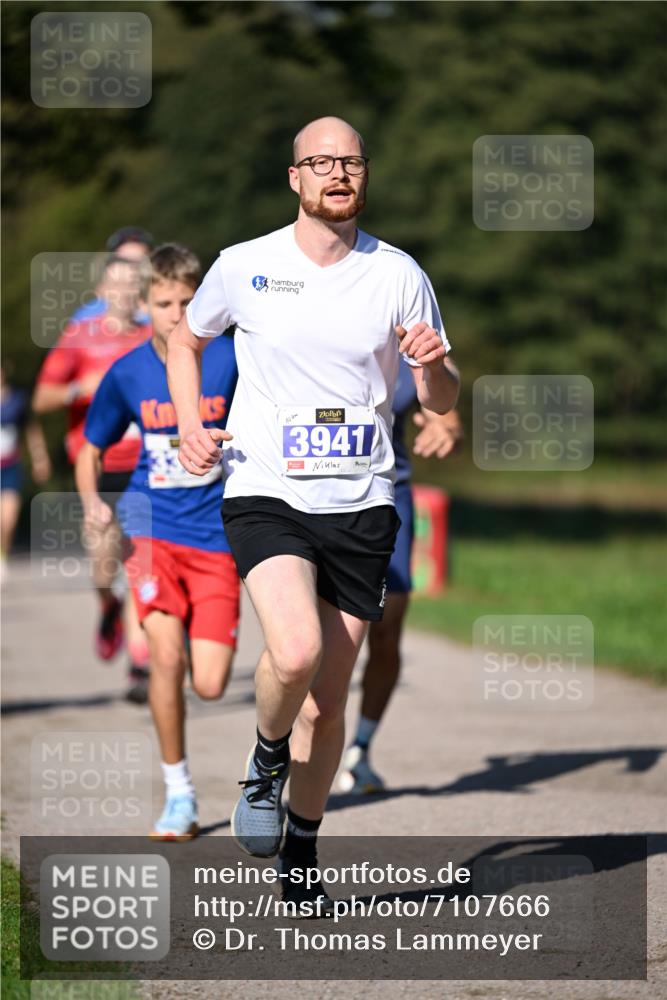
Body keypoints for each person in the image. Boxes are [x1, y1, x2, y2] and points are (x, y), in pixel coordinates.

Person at [167, 116, 459, 904]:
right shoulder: (245, 265)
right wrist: (192, 423)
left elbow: (440, 394)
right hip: (265, 487)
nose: (337, 173)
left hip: (362, 498)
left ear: (364, 175)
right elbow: (185, 341)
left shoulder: (397, 274)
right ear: (294, 177)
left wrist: (434, 372)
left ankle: (301, 848)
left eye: (350, 161)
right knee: (293, 652)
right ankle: (266, 759)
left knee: (327, 703)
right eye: (321, 162)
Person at [76, 243, 240, 840]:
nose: (176, 315)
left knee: (212, 684)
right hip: (152, 533)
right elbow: (91, 449)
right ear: (145, 304)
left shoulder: (231, 358)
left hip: (217, 537)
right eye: (165, 303)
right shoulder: (128, 372)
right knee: (165, 659)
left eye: (188, 302)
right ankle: (179, 793)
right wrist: (94, 503)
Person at [338, 361, 463, 793]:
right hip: (309, 494)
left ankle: (360, 750)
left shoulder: (409, 334)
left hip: (389, 494)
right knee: (314, 635)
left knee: (387, 625)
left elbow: (445, 402)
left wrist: (447, 428)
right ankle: (285, 754)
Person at [33, 254, 152, 701]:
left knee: (139, 562)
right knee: (103, 565)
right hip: (95, 466)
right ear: (101, 292)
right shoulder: (79, 336)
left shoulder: (152, 337)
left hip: (143, 465)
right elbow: (41, 398)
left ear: (140, 292)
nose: (123, 293)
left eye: (131, 285)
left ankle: (140, 665)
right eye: (115, 285)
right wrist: (78, 389)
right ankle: (108, 603)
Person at [1, 363, 52, 580]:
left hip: (10, 467)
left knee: (9, 518)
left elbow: (32, 430)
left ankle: (2, 556)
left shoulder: (16, 400)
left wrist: (40, 458)